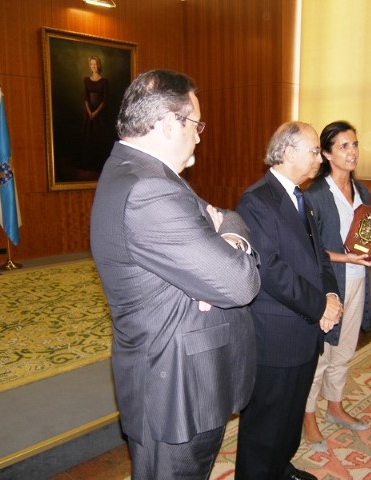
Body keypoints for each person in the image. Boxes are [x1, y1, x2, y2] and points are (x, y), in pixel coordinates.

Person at [90, 69, 261, 479]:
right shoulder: (150, 190)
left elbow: (226, 216)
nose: (200, 135)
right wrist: (228, 245)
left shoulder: (141, 173)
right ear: (169, 122)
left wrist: (222, 236)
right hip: (176, 391)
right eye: (196, 124)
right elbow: (239, 284)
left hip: (178, 378)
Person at [235, 121, 343, 480]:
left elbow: (320, 258)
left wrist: (330, 294)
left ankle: (280, 468)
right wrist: (320, 306)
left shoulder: (302, 198)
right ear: (286, 152)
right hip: (276, 334)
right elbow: (271, 269)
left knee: (290, 414)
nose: (318, 159)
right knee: (265, 423)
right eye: (313, 151)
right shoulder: (256, 201)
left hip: (304, 330)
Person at [302, 120, 371, 452]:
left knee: (345, 349)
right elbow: (309, 251)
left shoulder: (363, 191)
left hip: (358, 282)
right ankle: (308, 416)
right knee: (322, 353)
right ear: (326, 153)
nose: (352, 152)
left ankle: (335, 406)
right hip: (330, 285)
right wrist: (347, 259)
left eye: (355, 144)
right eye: (343, 146)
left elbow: (362, 240)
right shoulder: (313, 195)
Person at [80, 55, 110, 172]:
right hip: (89, 114)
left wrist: (96, 112)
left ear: (99, 65)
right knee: (88, 138)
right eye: (92, 64)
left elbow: (105, 99)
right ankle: (88, 163)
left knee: (100, 138)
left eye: (96, 64)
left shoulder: (104, 81)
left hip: (100, 113)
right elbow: (85, 98)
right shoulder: (86, 80)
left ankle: (99, 165)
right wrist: (89, 112)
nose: (94, 66)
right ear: (90, 66)